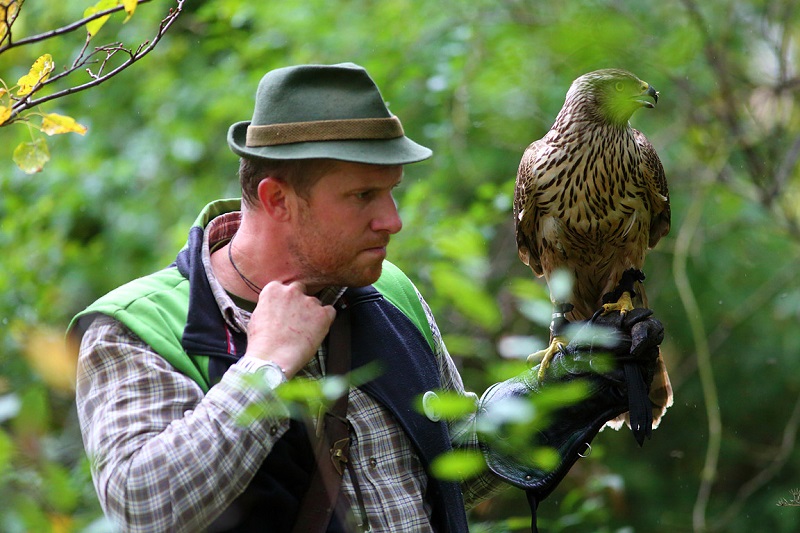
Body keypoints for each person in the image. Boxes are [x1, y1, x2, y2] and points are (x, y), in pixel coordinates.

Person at [71, 62, 664, 532]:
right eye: (362, 197)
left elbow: (452, 470)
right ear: (278, 198)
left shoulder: (388, 291)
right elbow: (142, 509)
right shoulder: (142, 327)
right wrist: (264, 367)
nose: (393, 221)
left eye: (392, 193)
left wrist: (558, 395)